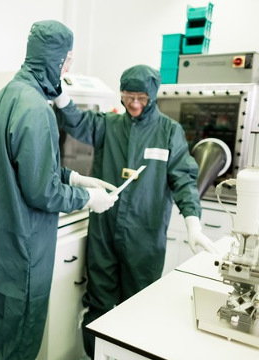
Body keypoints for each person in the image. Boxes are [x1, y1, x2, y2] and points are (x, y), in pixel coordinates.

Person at [0, 20, 119, 360]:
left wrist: (73, 177)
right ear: (55, 59)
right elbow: (41, 192)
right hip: (25, 252)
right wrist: (87, 199)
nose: (68, 68)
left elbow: (25, 166)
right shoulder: (36, 108)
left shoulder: (8, 94)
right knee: (17, 344)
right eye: (68, 61)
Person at [53, 64, 217, 357]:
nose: (135, 104)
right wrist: (59, 91)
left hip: (145, 235)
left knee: (139, 306)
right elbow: (77, 121)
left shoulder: (169, 131)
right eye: (129, 97)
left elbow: (183, 180)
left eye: (141, 97)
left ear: (152, 96)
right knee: (98, 304)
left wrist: (193, 224)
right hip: (104, 231)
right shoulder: (109, 125)